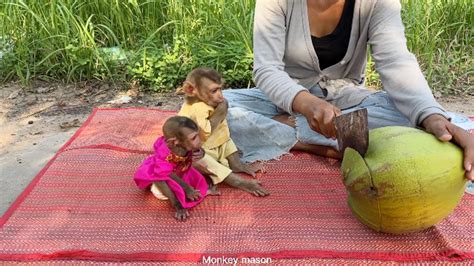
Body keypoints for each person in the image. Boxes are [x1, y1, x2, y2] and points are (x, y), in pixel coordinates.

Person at [223, 0, 474, 180]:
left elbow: (397, 63)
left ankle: (291, 132)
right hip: (286, 99)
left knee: (413, 119)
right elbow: (267, 70)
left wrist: (432, 117)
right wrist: (307, 104)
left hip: (346, 102)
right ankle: (330, 144)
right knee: (213, 110)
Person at [176, 67, 269, 197]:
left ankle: (235, 163)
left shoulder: (210, 102)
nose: (220, 95)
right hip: (197, 149)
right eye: (214, 91)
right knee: (197, 159)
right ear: (191, 90)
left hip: (213, 145)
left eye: (220, 89)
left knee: (224, 135)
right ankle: (236, 181)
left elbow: (222, 132)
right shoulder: (196, 108)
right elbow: (202, 136)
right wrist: (221, 112)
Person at [134, 116, 217, 221]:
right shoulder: (165, 155)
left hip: (181, 170)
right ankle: (176, 202)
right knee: (160, 192)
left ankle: (198, 190)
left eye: (197, 135)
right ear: (174, 142)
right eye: (194, 138)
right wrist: (185, 192)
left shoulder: (185, 143)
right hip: (162, 175)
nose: (199, 141)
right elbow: (165, 174)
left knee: (199, 171)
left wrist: (202, 152)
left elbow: (196, 149)